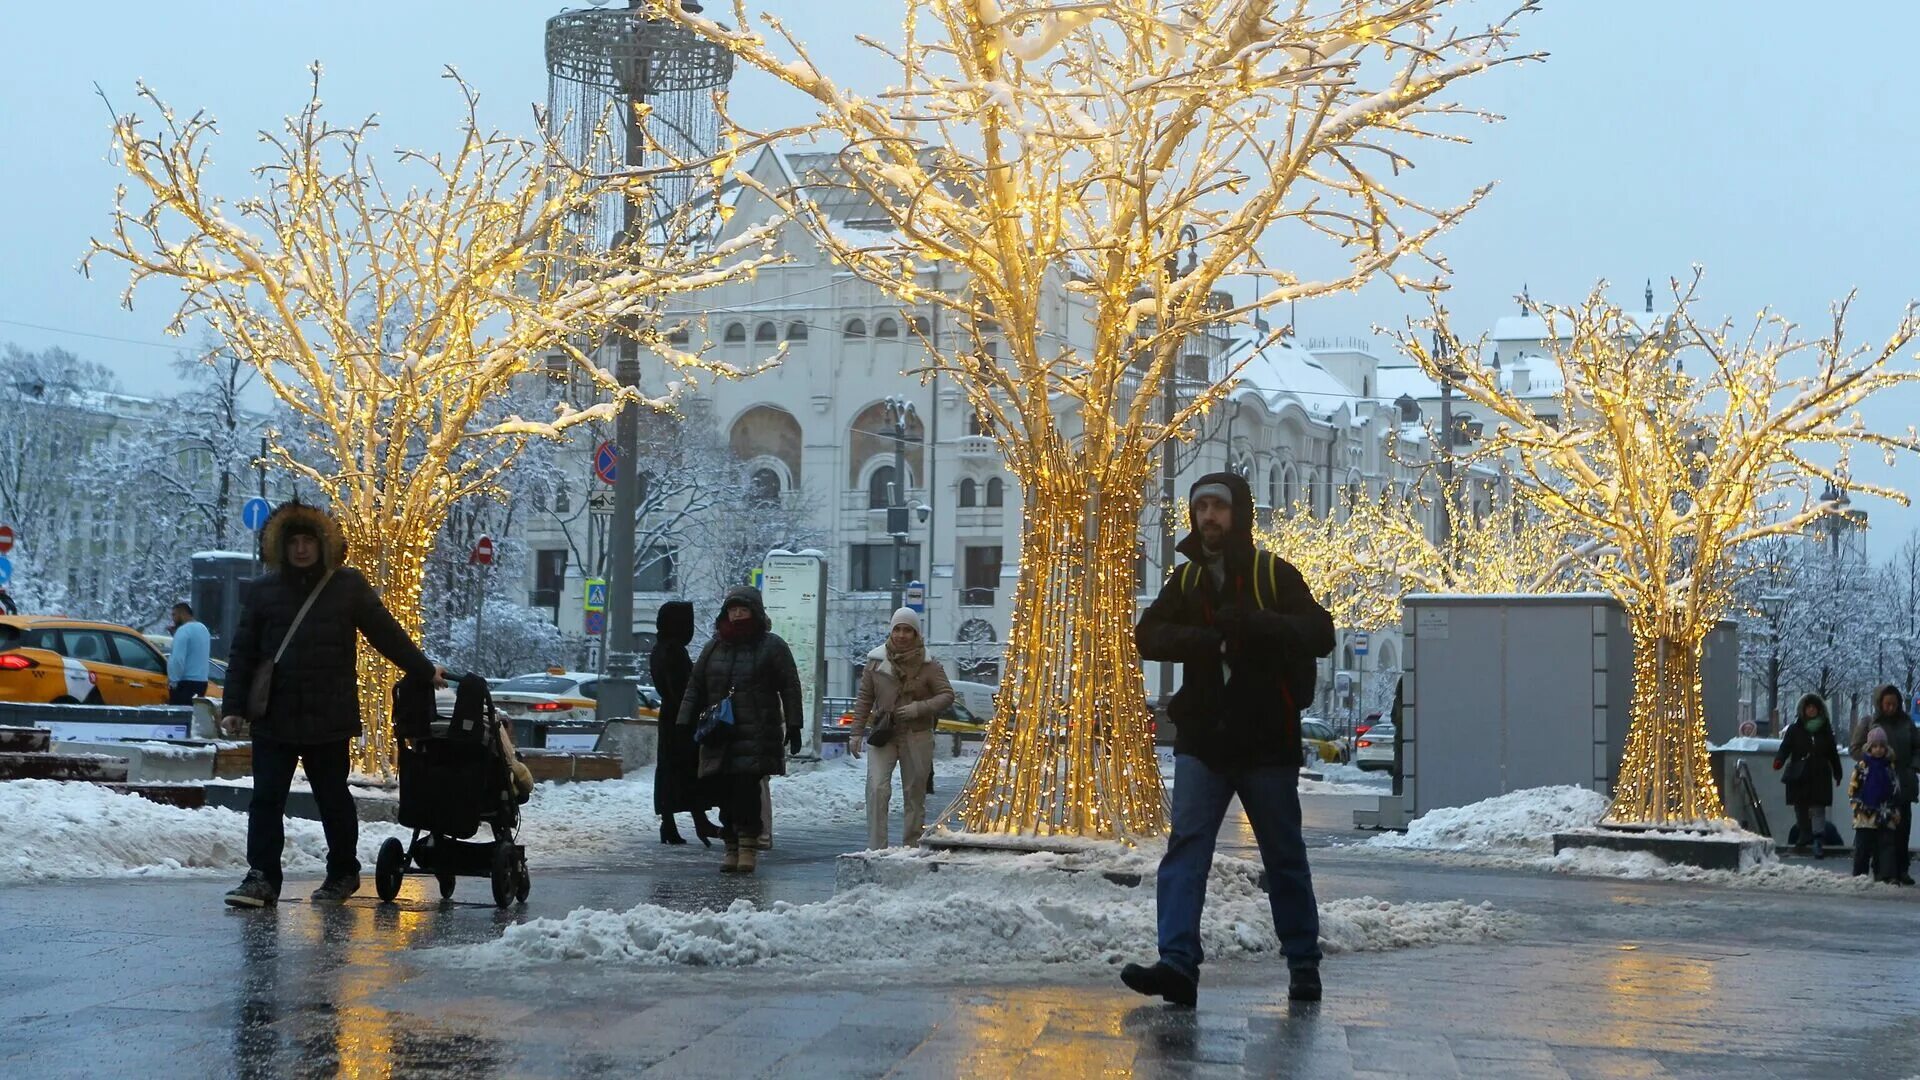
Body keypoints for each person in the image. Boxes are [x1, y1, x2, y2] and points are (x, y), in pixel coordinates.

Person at [1122, 472, 1335, 1007]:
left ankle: (1303, 962)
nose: (1208, 517)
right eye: (1201, 508)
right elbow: (1147, 635)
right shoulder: (1188, 581)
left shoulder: (1272, 573)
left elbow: (1320, 632)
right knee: (1185, 852)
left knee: (1282, 855)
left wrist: (1259, 625)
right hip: (1204, 743)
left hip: (1266, 744)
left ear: (1239, 513)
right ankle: (1177, 965)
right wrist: (1210, 640)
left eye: (1218, 507)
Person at [219, 501, 442, 908]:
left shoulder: (347, 586)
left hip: (329, 715)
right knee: (266, 799)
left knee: (332, 798)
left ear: (324, 544)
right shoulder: (264, 592)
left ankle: (343, 872)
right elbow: (243, 653)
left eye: (309, 541)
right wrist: (232, 706)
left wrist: (424, 670)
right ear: (281, 548)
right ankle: (262, 877)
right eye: (294, 542)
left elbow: (386, 633)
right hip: (275, 715)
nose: (302, 549)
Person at [677, 586, 803, 875]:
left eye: (742, 609)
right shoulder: (715, 646)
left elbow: (789, 686)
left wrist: (794, 724)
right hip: (720, 735)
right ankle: (731, 845)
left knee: (746, 791)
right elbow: (695, 687)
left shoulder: (772, 646)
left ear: (755, 612)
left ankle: (748, 847)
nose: (737, 614)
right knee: (723, 792)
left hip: (757, 732)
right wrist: (684, 722)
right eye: (732, 609)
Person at [851, 607, 954, 850]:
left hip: (917, 734)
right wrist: (855, 732)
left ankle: (911, 845)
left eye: (907, 630)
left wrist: (919, 708)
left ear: (916, 633)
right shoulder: (876, 661)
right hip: (883, 733)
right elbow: (865, 697)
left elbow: (947, 695)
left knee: (914, 791)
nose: (901, 635)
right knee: (877, 788)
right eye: (897, 629)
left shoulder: (930, 664)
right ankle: (876, 848)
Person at [649, 600, 720, 847]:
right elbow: (683, 688)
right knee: (686, 770)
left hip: (671, 717)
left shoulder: (662, 648)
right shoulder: (673, 651)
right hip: (681, 719)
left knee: (671, 770)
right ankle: (697, 822)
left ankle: (671, 823)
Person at [1852, 685, 1917, 885]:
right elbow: (1855, 748)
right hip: (1875, 781)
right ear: (1880, 703)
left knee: (1902, 827)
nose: (1891, 708)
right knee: (1880, 832)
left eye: (1894, 704)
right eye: (1887, 704)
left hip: (1903, 781)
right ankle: (1880, 870)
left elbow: (1918, 747)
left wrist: (1912, 766)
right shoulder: (1869, 723)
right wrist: (1872, 760)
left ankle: (1901, 869)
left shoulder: (1907, 723)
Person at [1771, 693, 1843, 858]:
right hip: (1800, 773)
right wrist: (1779, 761)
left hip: (1820, 774)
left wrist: (1837, 773)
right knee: (1800, 805)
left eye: (1814, 708)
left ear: (1819, 710)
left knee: (1818, 807)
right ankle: (1804, 834)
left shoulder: (1825, 730)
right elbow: (1785, 747)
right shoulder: (1795, 729)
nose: (1811, 710)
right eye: (1808, 707)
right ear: (1803, 710)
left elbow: (1833, 753)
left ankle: (1818, 839)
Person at [1850, 726, 1905, 882]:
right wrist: (1857, 805)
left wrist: (1894, 809)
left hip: (1884, 813)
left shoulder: (1890, 767)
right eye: (1875, 746)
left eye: (1881, 746)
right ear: (1869, 748)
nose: (1878, 750)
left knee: (1886, 846)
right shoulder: (1862, 767)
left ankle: (1885, 875)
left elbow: (1896, 789)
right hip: (1864, 814)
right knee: (1862, 847)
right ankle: (1859, 875)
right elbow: (1853, 788)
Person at [166, 601, 212, 705]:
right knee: (193, 717)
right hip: (202, 682)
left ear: (182, 614)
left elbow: (177, 659)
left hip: (184, 683)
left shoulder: (183, 631)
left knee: (179, 717)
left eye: (174, 614)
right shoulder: (203, 629)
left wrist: (173, 681)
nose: (172, 619)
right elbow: (194, 651)